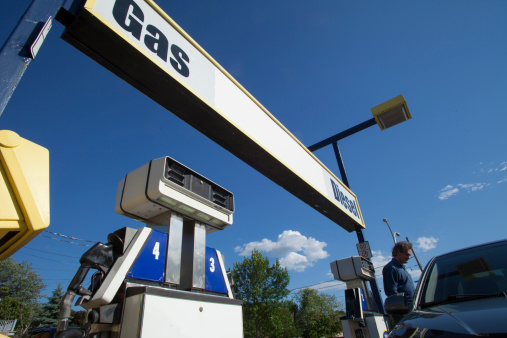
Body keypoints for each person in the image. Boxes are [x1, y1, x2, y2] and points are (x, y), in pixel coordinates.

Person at [383, 241, 416, 311]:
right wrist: (403, 307)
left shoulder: (402, 268)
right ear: (398, 252)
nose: (409, 257)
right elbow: (392, 292)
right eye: (407, 255)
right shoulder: (391, 268)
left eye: (409, 255)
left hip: (412, 307)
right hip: (404, 311)